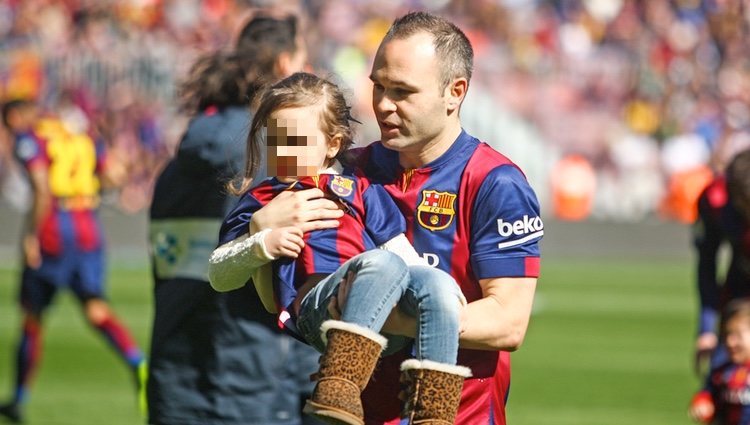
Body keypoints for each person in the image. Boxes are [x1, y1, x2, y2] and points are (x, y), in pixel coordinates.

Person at [211, 11, 543, 424]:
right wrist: (261, 232)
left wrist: (368, 310)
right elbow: (276, 297)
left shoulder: (496, 182)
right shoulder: (346, 171)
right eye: (378, 86)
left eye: (403, 92)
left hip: (459, 415)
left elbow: (507, 322)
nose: (384, 104)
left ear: (454, 92)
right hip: (352, 412)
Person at [208, 71, 470, 425]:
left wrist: (439, 290)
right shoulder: (263, 199)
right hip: (320, 309)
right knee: (382, 264)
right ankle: (338, 385)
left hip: (382, 314)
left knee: (436, 283)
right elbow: (219, 274)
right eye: (275, 141)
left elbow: (398, 246)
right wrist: (261, 243)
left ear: (332, 145)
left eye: (297, 142)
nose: (284, 153)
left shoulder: (359, 188)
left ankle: (434, 411)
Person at [146, 14, 324, 425]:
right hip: (257, 388)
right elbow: (298, 289)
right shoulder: (274, 164)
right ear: (285, 67)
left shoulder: (179, 165)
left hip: (175, 384)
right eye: (304, 60)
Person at [0, 99, 146, 423]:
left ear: (12, 117)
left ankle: (19, 398)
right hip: (87, 229)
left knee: (32, 316)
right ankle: (137, 361)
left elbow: (41, 186)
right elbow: (114, 176)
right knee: (96, 309)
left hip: (54, 229)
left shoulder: (32, 138)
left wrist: (30, 235)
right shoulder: (79, 134)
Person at [693, 148, 750, 376]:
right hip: (739, 286)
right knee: (723, 379)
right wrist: (707, 328)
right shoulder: (714, 201)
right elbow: (707, 263)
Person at [689, 297, 750, 424]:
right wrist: (702, 404)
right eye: (727, 334)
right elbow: (707, 394)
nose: (730, 341)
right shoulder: (721, 372)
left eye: (738, 335)